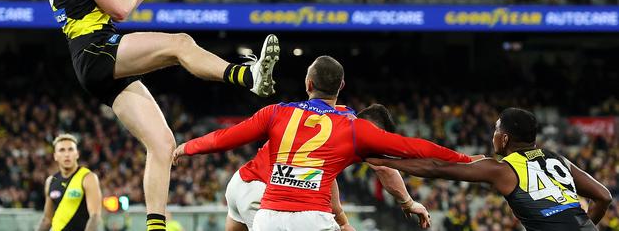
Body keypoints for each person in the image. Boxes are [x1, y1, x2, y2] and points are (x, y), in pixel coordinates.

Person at [49, 0, 280, 231]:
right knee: (180, 44)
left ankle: (155, 226)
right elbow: (120, 8)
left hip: (94, 55)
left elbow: (119, 10)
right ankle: (248, 76)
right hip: (97, 50)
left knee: (163, 143)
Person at [174, 55, 472, 231]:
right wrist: (465, 161)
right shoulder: (351, 129)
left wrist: (186, 147)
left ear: (308, 84)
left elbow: (227, 137)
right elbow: (409, 152)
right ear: (341, 87)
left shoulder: (279, 111)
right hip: (283, 205)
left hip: (241, 186)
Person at [367, 108, 613, 231]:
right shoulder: (559, 159)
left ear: (504, 139)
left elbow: (436, 167)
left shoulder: (502, 169)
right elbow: (604, 196)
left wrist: (387, 161)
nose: (493, 135)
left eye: (496, 130)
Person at [223, 104, 431, 231]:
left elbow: (322, 178)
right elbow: (384, 168)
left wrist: (342, 221)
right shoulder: (353, 134)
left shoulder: (331, 114)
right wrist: (408, 203)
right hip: (265, 194)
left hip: (241, 183)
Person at [37, 134, 102, 231]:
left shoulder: (87, 178)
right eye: (62, 150)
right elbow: (47, 220)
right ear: (55, 156)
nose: (67, 154)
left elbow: (95, 216)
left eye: (70, 149)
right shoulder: (51, 181)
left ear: (77, 154)